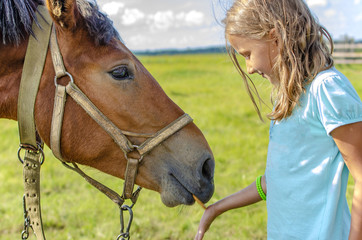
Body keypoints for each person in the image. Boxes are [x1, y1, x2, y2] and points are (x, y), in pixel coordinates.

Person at [194, 0, 362, 239]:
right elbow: (274, 181)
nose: (249, 68)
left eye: (248, 54)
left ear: (276, 38)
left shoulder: (326, 89)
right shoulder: (287, 99)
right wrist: (218, 208)